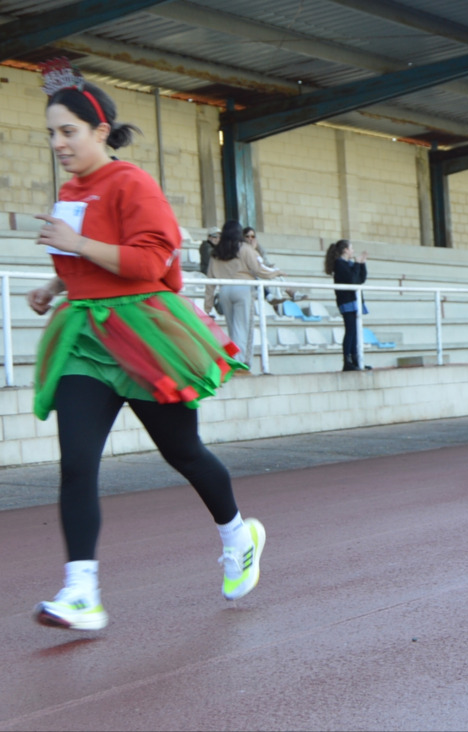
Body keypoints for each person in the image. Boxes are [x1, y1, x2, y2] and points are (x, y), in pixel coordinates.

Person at [26, 59, 263, 631]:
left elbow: (153, 261)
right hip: (84, 338)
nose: (58, 143)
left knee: (182, 452)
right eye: (52, 133)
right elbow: (88, 257)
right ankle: (81, 589)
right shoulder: (70, 189)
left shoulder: (131, 182)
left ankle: (238, 534)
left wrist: (76, 245)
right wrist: (56, 282)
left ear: (100, 131)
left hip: (144, 335)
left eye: (68, 132)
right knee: (76, 464)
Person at [203, 220, 284, 369]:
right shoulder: (244, 249)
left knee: (233, 328)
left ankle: (234, 359)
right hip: (243, 288)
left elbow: (210, 280)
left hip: (225, 291)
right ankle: (241, 363)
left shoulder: (217, 252)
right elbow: (259, 270)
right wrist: (276, 272)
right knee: (243, 329)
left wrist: (207, 306)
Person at [324, 239, 369, 371]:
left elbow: (360, 279)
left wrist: (362, 264)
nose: (353, 251)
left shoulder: (348, 264)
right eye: (351, 248)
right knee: (350, 330)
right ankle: (347, 360)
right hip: (347, 301)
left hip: (354, 300)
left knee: (355, 331)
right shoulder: (339, 264)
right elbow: (352, 280)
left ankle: (356, 359)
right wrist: (356, 264)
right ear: (345, 250)